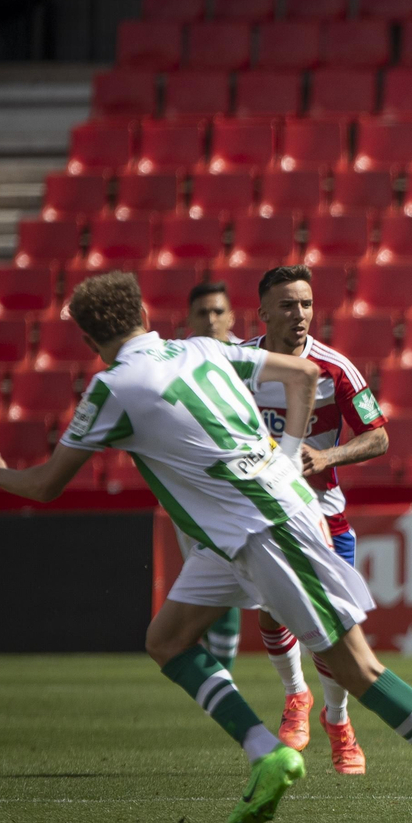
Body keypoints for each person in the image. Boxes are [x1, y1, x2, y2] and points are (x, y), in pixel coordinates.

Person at [0, 272, 412, 823]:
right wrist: (291, 454)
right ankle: (264, 754)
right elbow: (303, 373)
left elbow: (49, 484)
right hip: (233, 532)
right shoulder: (203, 348)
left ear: (87, 338)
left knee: (356, 668)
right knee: (166, 640)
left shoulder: (111, 390)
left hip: (265, 525)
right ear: (144, 313)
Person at [242, 265, 390, 776]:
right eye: (286, 305)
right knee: (268, 612)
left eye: (305, 304)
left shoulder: (335, 368)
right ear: (263, 312)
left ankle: (339, 721)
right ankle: (295, 695)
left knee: (329, 631)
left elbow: (380, 435)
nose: (299, 314)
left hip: (322, 514)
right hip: (261, 513)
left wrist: (330, 457)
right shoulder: (240, 364)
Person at [184, 280, 244, 670]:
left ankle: (225, 676)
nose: (211, 319)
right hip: (193, 487)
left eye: (218, 311)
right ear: (189, 319)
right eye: (203, 312)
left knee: (229, 578)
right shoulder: (175, 360)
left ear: (232, 316)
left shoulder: (249, 357)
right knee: (212, 584)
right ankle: (224, 673)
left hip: (243, 487)